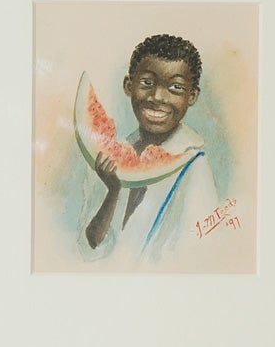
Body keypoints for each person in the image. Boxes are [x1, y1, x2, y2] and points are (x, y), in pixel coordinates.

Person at [81, 34, 218, 263]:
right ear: (128, 86)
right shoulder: (106, 159)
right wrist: (113, 192)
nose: (157, 97)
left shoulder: (194, 166)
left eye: (175, 87)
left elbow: (198, 257)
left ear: (191, 96)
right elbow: (91, 245)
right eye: (147, 83)